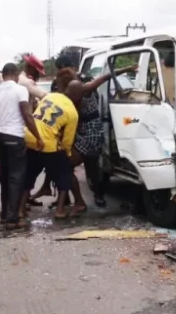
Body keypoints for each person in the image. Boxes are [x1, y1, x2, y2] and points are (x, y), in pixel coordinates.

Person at [32, 55, 138, 211]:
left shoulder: (81, 86)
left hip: (90, 131)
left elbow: (104, 78)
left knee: (89, 168)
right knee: (60, 161)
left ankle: (94, 195)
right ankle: (65, 197)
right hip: (74, 127)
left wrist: (127, 69)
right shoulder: (61, 87)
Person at [0, 63, 44, 229]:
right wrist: (38, 137)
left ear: (3, 75)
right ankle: (12, 218)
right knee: (16, 178)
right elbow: (27, 114)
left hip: (1, 138)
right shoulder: (20, 90)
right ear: (16, 74)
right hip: (16, 137)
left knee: (4, 176)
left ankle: (5, 215)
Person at [19, 74, 84, 219]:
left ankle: (21, 209)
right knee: (64, 174)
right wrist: (66, 154)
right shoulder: (72, 112)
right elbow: (67, 141)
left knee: (29, 176)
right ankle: (60, 210)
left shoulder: (50, 96)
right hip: (47, 144)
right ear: (78, 96)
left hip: (29, 137)